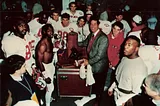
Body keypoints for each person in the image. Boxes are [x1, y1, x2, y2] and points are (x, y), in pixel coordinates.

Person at [108, 36, 148, 106]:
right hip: (116, 93)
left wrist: (123, 100)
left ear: (136, 49)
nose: (125, 47)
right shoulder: (124, 58)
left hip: (125, 99)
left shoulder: (140, 68)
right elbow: (119, 76)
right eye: (125, 44)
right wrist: (112, 87)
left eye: (129, 45)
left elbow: (137, 92)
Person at [78, 16, 109, 106]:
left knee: (99, 85)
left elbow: (99, 56)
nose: (92, 26)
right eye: (91, 24)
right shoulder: (91, 35)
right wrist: (73, 42)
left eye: (94, 24)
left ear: (98, 25)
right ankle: (93, 96)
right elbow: (84, 43)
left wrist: (88, 62)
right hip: (93, 63)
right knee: (94, 83)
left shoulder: (103, 38)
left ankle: (98, 101)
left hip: (100, 66)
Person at [35, 24, 55, 106]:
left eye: (52, 30)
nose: (51, 32)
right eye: (49, 31)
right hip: (45, 67)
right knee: (50, 88)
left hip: (50, 65)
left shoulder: (49, 40)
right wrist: (45, 75)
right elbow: (39, 61)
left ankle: (48, 98)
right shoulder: (42, 44)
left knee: (50, 86)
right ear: (44, 32)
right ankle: (47, 104)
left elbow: (49, 54)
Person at [104, 21, 124, 91]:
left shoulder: (122, 41)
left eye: (117, 30)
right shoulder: (107, 37)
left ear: (121, 31)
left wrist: (112, 63)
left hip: (114, 62)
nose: (115, 31)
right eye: (114, 28)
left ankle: (107, 86)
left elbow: (119, 54)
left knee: (110, 75)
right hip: (105, 60)